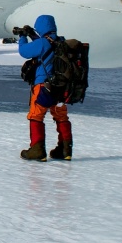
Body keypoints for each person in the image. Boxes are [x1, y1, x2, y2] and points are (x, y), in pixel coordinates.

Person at [18, 14, 74, 161]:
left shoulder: (43, 43)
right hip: (62, 88)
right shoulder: (61, 42)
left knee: (36, 115)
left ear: (41, 28)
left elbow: (24, 51)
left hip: (44, 86)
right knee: (61, 116)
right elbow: (43, 47)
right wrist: (32, 34)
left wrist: (22, 37)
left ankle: (37, 150)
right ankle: (65, 150)